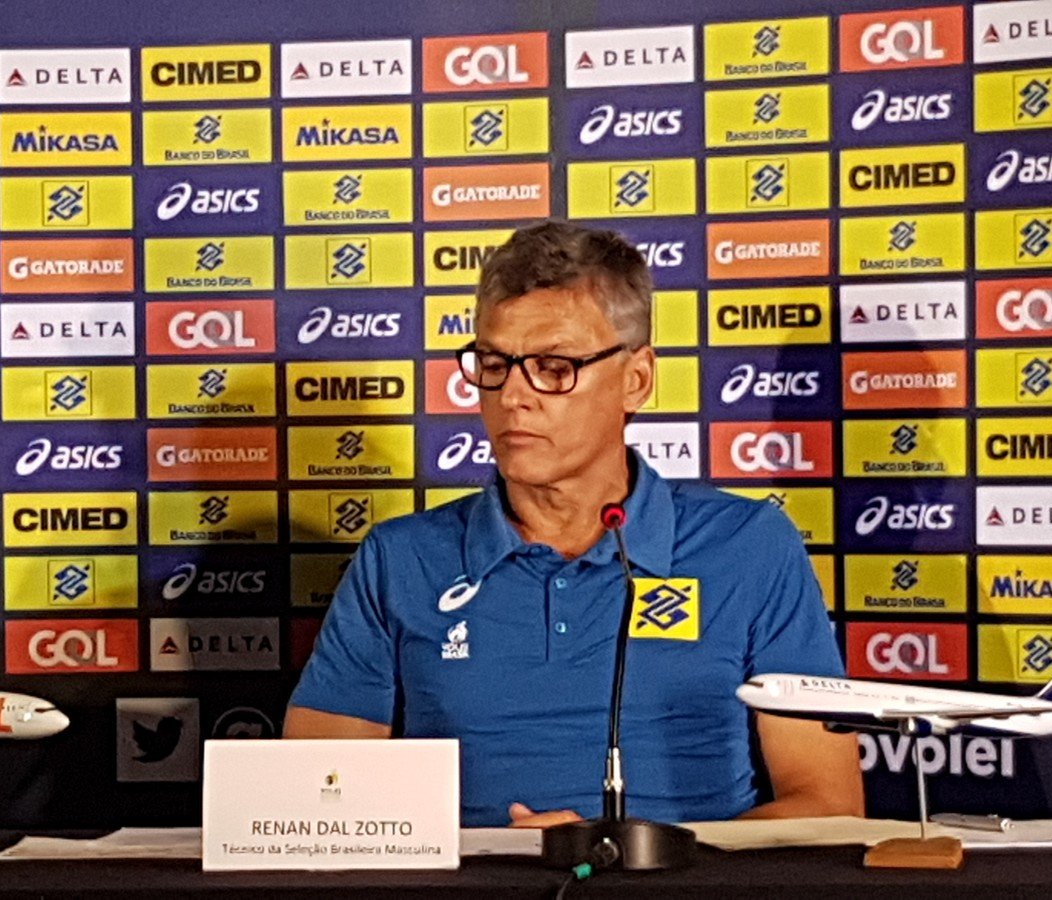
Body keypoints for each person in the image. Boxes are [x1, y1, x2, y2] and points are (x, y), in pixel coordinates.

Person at [285, 220, 862, 828]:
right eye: (494, 364)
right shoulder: (399, 560)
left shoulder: (750, 547)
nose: (513, 396)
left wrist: (622, 856)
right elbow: (314, 809)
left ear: (636, 380)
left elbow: (828, 807)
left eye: (554, 368)